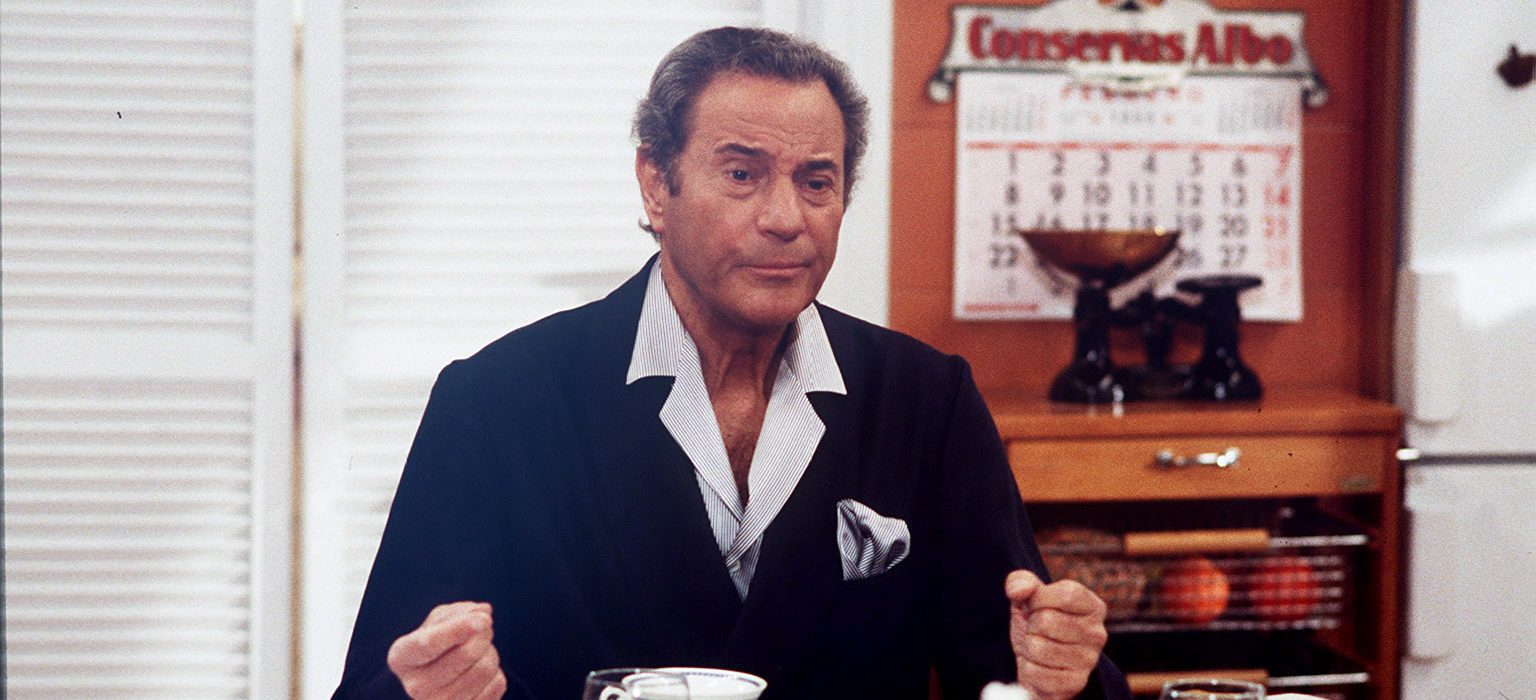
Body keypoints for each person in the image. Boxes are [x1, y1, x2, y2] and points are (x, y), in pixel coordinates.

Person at [333, 26, 1131, 700]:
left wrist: (1066, 674)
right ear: (657, 183)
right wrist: (425, 691)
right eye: (742, 174)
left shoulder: (926, 400)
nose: (785, 218)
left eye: (816, 181)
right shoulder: (497, 401)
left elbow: (1009, 666)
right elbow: (378, 681)